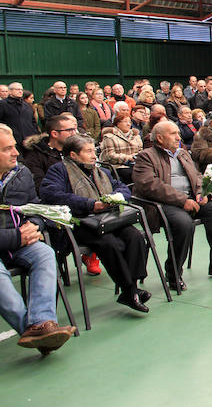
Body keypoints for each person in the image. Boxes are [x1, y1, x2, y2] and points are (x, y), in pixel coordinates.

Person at [40, 134, 151, 313]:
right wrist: (90, 204)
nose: (94, 155)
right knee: (109, 243)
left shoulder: (100, 171)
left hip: (108, 218)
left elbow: (120, 186)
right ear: (73, 155)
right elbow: (52, 194)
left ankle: (132, 287)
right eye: (88, 151)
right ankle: (130, 290)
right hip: (80, 221)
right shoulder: (59, 170)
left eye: (94, 150)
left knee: (135, 236)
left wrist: (117, 197)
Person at [133, 120, 212, 291]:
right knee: (184, 224)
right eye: (173, 134)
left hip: (192, 199)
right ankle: (173, 273)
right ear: (160, 138)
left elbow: (196, 175)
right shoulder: (146, 156)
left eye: (178, 133)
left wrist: (202, 192)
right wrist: (182, 200)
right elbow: (150, 186)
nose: (178, 137)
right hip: (163, 204)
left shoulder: (183, 153)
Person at [0, 125, 77, 353]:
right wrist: (17, 236)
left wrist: (35, 224)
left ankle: (42, 322)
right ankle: (40, 331)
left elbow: (35, 206)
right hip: (14, 239)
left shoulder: (20, 173)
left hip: (21, 242)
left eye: (14, 147)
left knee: (44, 253)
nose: (16, 153)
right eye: (8, 149)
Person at [99, 111, 143, 183]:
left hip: (135, 164)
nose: (128, 124)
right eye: (125, 121)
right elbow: (109, 155)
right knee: (133, 174)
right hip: (117, 166)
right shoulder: (109, 136)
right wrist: (128, 158)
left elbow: (140, 150)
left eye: (129, 122)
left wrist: (136, 157)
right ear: (118, 123)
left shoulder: (136, 136)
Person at [0, 82, 39, 147]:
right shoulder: (2, 104)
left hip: (29, 141)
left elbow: (33, 122)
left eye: (21, 90)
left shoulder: (26, 105)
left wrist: (35, 135)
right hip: (12, 140)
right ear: (10, 91)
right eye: (17, 89)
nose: (20, 91)